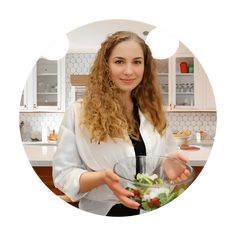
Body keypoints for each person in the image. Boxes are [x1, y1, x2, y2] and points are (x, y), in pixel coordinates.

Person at [52, 31, 190, 217]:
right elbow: (63, 174)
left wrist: (167, 167)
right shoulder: (78, 112)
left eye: (137, 62)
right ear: (105, 66)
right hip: (102, 213)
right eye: (119, 61)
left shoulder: (153, 112)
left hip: (148, 210)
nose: (129, 71)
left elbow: (156, 164)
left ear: (145, 67)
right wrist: (101, 178)